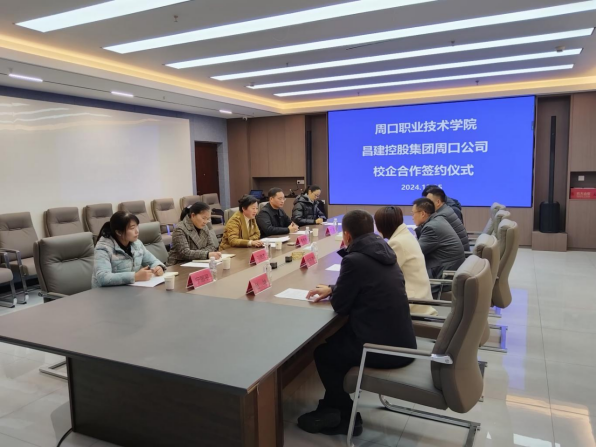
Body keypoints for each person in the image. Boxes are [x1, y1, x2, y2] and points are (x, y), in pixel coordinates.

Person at [298, 210, 416, 437]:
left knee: (324, 354)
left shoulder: (354, 260)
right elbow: (368, 282)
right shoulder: (383, 250)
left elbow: (341, 306)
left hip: (383, 348)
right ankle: (331, 407)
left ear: (347, 235)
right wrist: (333, 288)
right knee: (335, 341)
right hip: (401, 338)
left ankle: (345, 416)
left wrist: (336, 293)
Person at [374, 206, 437, 316]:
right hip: (420, 297)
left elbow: (382, 275)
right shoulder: (406, 235)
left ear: (383, 225)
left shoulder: (397, 243)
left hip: (412, 303)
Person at [92, 211, 165, 288]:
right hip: (105, 292)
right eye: (132, 228)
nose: (137, 231)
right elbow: (103, 277)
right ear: (119, 232)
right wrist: (135, 276)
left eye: (137, 226)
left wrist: (158, 267)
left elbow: (153, 261)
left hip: (129, 289)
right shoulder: (103, 247)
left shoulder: (137, 243)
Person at [412, 198, 465, 295]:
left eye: (413, 213)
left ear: (422, 213)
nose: (412, 217)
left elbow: (415, 253)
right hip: (448, 269)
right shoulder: (438, 220)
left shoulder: (431, 228)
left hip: (443, 279)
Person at [167, 202, 221, 266]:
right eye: (203, 218)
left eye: (208, 219)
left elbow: (212, 246)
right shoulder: (180, 229)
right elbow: (185, 253)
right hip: (178, 265)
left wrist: (196, 253)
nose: (205, 222)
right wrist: (207, 254)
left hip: (197, 262)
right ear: (193, 215)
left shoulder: (205, 227)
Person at [425, 187, 470, 251]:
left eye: (429, 202)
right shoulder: (445, 209)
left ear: (438, 202)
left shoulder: (443, 215)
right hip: (455, 249)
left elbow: (430, 238)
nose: (426, 205)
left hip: (456, 252)